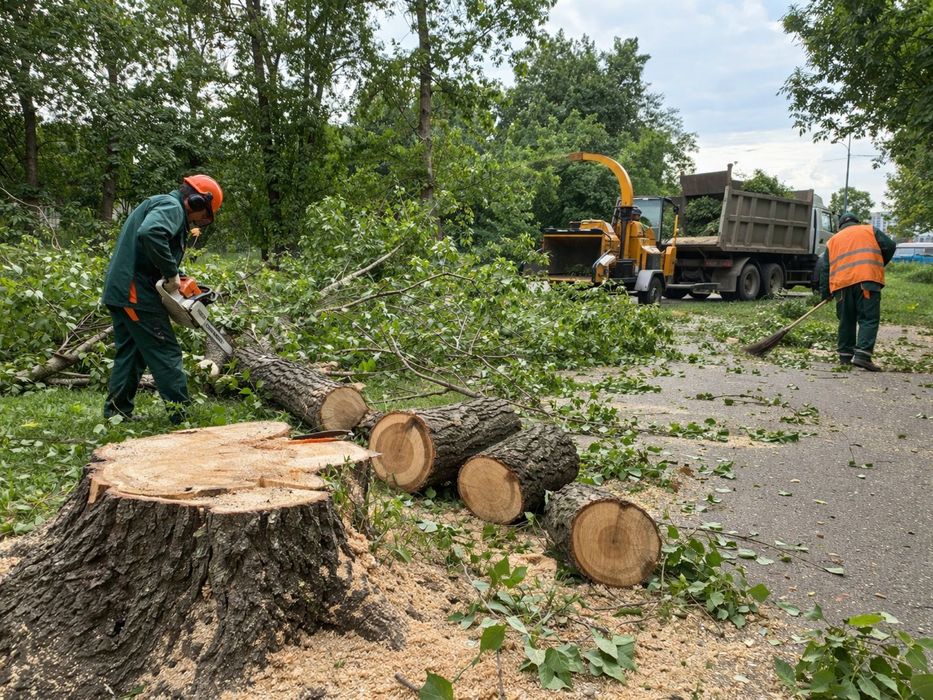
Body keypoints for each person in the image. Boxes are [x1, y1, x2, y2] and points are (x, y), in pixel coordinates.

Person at [101, 174, 223, 422]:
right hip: (135, 293)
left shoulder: (164, 205)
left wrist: (176, 274)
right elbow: (151, 233)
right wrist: (170, 272)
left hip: (123, 290)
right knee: (166, 351)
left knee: (131, 353)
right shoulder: (172, 206)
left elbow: (150, 249)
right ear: (197, 202)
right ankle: (181, 416)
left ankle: (116, 414)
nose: (200, 220)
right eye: (204, 214)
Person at [818, 211, 895, 371]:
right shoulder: (870, 230)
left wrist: (825, 293)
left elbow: (825, 269)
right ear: (857, 222)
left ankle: (845, 356)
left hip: (841, 285)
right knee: (868, 318)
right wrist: (878, 263)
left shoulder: (833, 240)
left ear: (840, 226)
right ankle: (862, 356)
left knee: (846, 319)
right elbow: (890, 246)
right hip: (867, 281)